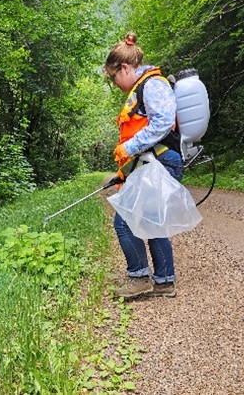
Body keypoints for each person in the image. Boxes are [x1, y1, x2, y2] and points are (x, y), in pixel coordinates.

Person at [104, 32, 183, 299]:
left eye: (114, 76)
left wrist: (129, 148)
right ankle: (164, 281)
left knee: (125, 222)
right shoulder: (144, 86)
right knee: (152, 221)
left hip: (161, 161)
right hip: (156, 161)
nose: (114, 82)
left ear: (125, 68)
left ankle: (140, 278)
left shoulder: (152, 85)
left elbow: (161, 122)